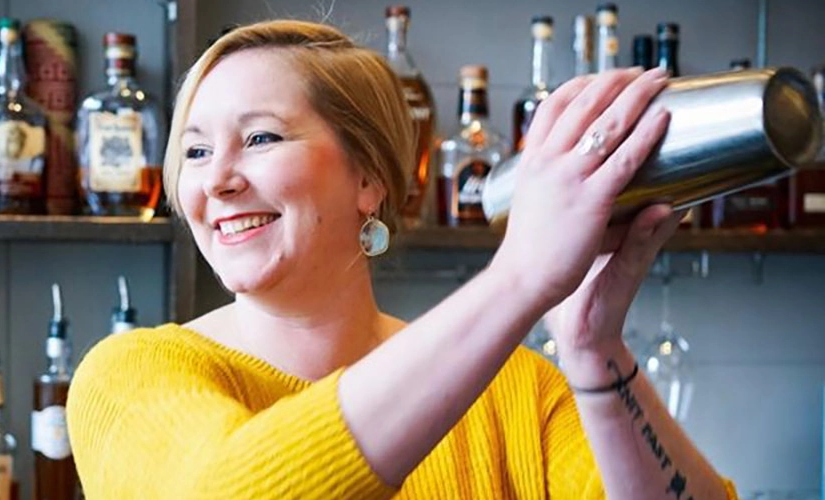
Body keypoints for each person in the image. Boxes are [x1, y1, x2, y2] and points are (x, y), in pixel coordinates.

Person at [67, 19, 739, 499]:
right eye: (195, 151)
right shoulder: (131, 377)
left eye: (260, 137)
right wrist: (518, 280)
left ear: (369, 180)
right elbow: (228, 489)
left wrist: (594, 349)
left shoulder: (519, 393)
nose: (216, 181)